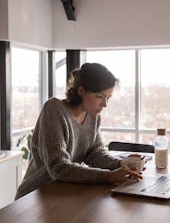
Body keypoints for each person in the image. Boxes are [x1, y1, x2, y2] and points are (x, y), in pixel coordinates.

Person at [15, 62, 141, 199]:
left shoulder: (93, 116)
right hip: (36, 195)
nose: (105, 104)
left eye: (108, 98)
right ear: (81, 91)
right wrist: (109, 176)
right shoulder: (54, 109)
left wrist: (122, 165)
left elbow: (95, 153)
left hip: (65, 192)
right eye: (100, 96)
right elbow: (59, 167)